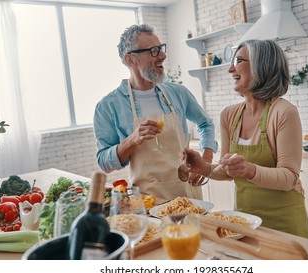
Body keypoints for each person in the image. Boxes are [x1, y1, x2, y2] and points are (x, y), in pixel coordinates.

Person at [183, 39, 308, 238]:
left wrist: (249, 169)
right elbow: (228, 172)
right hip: (244, 221)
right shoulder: (229, 115)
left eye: (239, 60)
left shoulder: (284, 112)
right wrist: (204, 168)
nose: (230, 69)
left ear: (262, 66)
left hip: (284, 222)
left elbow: (288, 178)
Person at [93, 24, 218, 200]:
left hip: (189, 197)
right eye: (153, 51)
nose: (163, 55)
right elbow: (104, 163)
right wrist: (132, 140)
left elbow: (205, 124)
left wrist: (206, 158)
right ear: (130, 60)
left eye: (161, 48)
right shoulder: (108, 106)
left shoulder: (178, 93)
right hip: (147, 204)